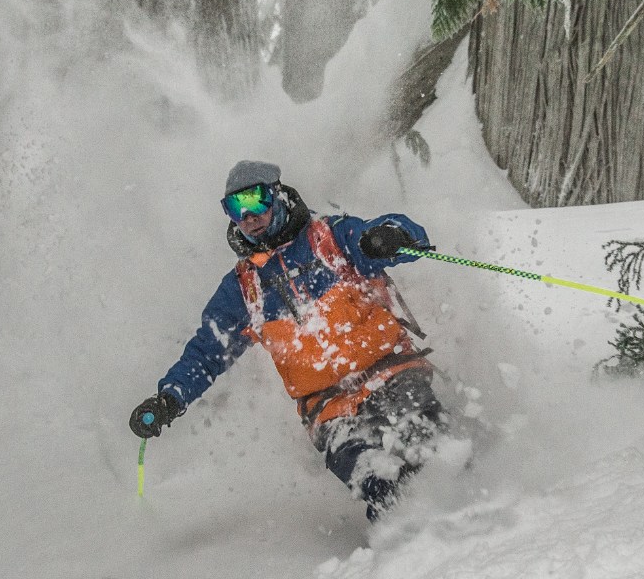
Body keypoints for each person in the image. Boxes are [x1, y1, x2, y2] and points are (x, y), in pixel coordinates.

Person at [130, 160, 448, 521]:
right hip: (328, 406)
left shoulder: (330, 240)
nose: (248, 215)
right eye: (235, 208)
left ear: (277, 195)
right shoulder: (244, 288)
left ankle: (472, 510)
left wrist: (389, 237)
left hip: (391, 371)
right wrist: (170, 398)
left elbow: (400, 235)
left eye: (255, 200)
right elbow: (207, 353)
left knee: (423, 439)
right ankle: (407, 540)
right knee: (373, 476)